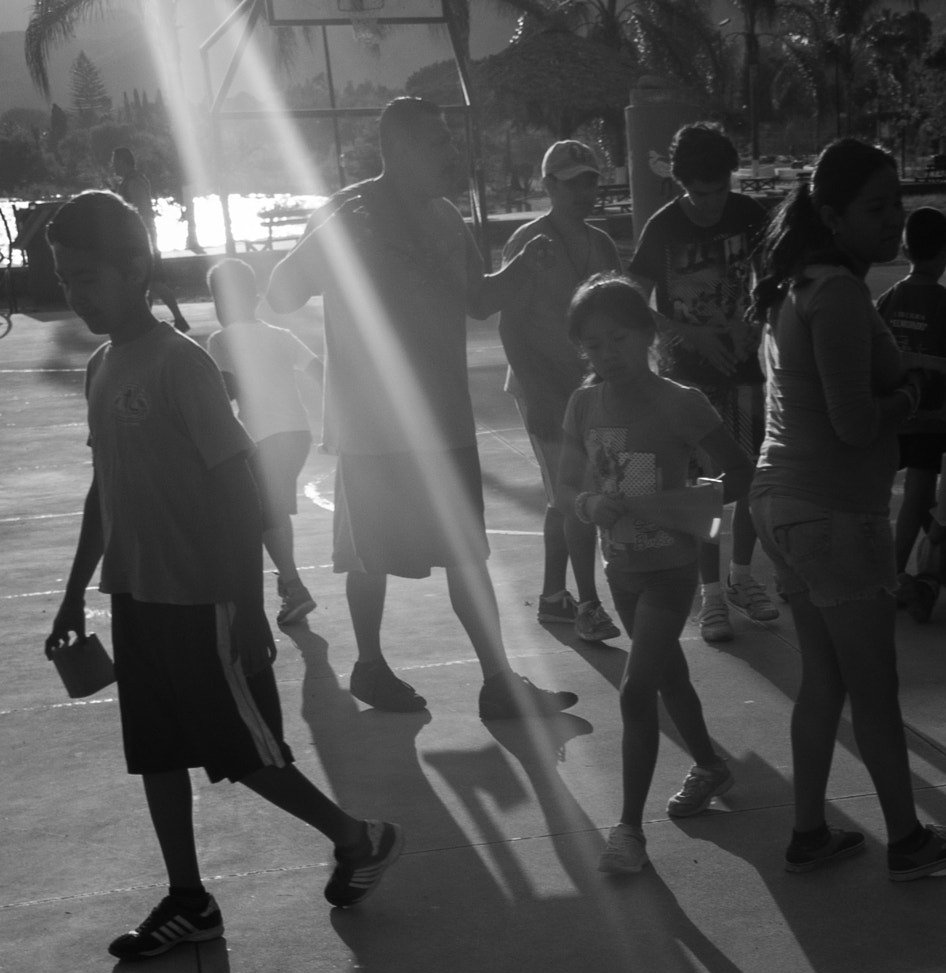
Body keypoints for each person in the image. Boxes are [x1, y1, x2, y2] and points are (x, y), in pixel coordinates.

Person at [42, 191, 402, 959]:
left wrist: (243, 604)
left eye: (87, 276)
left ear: (135, 268)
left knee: (242, 752)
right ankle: (188, 899)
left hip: (200, 598)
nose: (75, 293)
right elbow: (104, 488)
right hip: (134, 595)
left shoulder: (182, 365)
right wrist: (75, 591)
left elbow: (238, 491)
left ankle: (357, 836)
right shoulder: (103, 368)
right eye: (64, 279)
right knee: (157, 751)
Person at [266, 97, 575, 722]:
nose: (451, 152)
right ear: (400, 150)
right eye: (438, 141)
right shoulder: (348, 213)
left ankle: (498, 682)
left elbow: (480, 300)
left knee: (468, 553)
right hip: (373, 428)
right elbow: (280, 293)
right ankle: (371, 667)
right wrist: (328, 238)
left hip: (445, 421)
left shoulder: (445, 217)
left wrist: (525, 265)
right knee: (370, 555)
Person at [749, 138, 946, 880]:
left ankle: (810, 831)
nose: (894, 221)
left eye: (897, 204)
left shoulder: (797, 282)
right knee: (874, 690)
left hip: (783, 506)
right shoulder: (841, 293)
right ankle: (908, 840)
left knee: (824, 680)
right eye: (876, 208)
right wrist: (913, 393)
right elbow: (854, 422)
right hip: (832, 513)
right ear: (830, 214)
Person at [559, 280, 740, 874]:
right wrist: (589, 508)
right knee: (668, 676)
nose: (607, 353)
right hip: (623, 569)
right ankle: (711, 765)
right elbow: (567, 485)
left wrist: (690, 506)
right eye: (593, 345)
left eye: (619, 338)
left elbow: (738, 468)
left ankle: (629, 832)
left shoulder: (680, 401)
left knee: (637, 688)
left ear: (648, 335)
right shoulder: (584, 405)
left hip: (670, 570)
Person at [629, 122, 778, 643]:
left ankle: (742, 578)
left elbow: (774, 283)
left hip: (744, 369)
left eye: (722, 190)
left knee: (752, 480)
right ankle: (711, 593)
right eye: (701, 192)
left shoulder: (750, 215)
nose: (714, 203)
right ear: (679, 183)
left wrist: (752, 321)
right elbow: (634, 307)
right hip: (688, 379)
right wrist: (690, 331)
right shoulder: (663, 228)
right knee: (706, 489)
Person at [495, 138, 622, 642]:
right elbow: (510, 328)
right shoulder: (529, 243)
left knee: (562, 495)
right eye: (572, 183)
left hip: (589, 387)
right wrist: (539, 394)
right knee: (578, 494)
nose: (584, 191)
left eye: (590, 180)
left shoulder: (603, 244)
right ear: (548, 185)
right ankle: (589, 604)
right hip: (543, 386)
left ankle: (554, 597)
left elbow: (619, 313)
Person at [205, 258, 323, 631]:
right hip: (297, 434)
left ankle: (293, 585)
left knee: (262, 515)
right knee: (273, 510)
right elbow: (318, 369)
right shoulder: (278, 334)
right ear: (255, 298)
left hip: (262, 436)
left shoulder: (221, 340)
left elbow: (228, 391)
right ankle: (288, 580)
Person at [874, 205, 946, 585]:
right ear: (945, 250)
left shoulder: (887, 299)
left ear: (905, 247)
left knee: (882, 494)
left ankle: (885, 565)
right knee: (918, 495)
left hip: (895, 411)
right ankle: (896, 570)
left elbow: (877, 358)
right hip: (932, 420)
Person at [109, 146, 189, 332]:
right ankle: (146, 321)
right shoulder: (131, 181)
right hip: (140, 237)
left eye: (115, 163)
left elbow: (142, 210)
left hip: (142, 238)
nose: (113, 167)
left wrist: (140, 237)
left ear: (123, 162)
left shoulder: (134, 183)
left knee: (154, 280)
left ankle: (179, 318)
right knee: (144, 281)